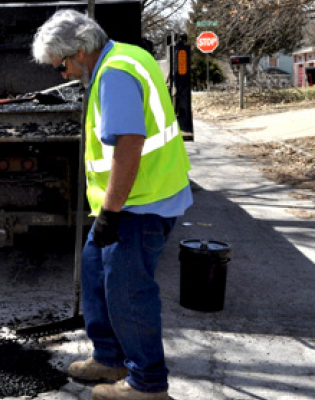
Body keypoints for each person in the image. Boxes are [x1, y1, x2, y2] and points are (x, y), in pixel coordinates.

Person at [32, 10, 192, 400]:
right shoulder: (127, 55)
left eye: (63, 65)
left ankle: (148, 384)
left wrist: (111, 213)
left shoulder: (115, 74)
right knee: (94, 273)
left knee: (128, 292)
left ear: (82, 50)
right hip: (137, 198)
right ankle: (109, 357)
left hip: (141, 203)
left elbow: (129, 144)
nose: (64, 74)